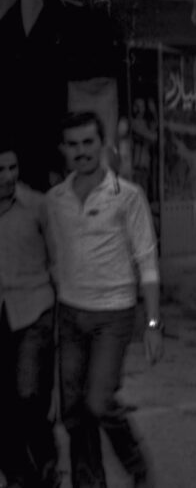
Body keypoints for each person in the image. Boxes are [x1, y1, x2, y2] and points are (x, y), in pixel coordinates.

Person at [46, 111, 163, 488]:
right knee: (73, 411)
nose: (81, 152)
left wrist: (153, 324)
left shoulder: (127, 196)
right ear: (63, 149)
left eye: (88, 142)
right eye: (73, 144)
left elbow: (146, 260)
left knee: (99, 402)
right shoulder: (55, 200)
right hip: (70, 313)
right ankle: (89, 481)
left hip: (114, 315)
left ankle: (137, 468)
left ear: (102, 144)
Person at [0, 144, 59, 487]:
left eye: (12, 168)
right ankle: (18, 471)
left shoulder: (37, 206)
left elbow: (58, 258)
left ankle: (47, 460)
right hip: (2, 312)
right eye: (0, 170)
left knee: (28, 393)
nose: (8, 177)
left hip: (35, 309)